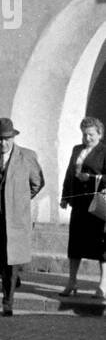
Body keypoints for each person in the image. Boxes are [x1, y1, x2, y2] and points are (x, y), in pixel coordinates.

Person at [0, 118, 45, 317]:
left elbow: (37, 183)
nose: (2, 143)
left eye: (6, 139)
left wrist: (19, 200)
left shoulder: (26, 157)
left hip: (15, 216)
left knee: (11, 257)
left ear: (13, 138)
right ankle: (10, 278)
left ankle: (8, 301)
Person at [59, 116, 106, 299]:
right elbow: (69, 174)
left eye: (91, 135)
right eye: (84, 135)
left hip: (98, 205)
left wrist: (92, 178)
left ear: (100, 134)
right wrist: (65, 196)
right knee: (75, 243)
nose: (87, 138)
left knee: (102, 245)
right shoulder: (77, 149)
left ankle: (103, 285)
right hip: (79, 203)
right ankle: (72, 281)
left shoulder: (104, 151)